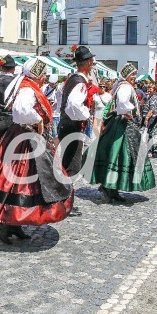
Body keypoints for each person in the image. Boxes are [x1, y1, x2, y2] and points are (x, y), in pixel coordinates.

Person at [0, 58, 73, 243]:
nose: (43, 78)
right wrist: (38, 120)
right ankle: (4, 224)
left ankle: (14, 225)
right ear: (36, 75)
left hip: (23, 137)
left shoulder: (27, 85)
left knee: (21, 185)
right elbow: (21, 110)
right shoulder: (27, 88)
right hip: (24, 139)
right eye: (42, 75)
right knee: (19, 183)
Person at [89, 63, 156, 203]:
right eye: (132, 75)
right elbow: (123, 103)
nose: (134, 77)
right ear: (127, 76)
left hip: (121, 123)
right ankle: (108, 188)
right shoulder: (125, 86)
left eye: (134, 75)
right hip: (122, 125)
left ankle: (113, 189)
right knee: (119, 155)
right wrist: (128, 113)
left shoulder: (122, 85)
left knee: (119, 156)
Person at [0, 55, 30, 239]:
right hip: (12, 128)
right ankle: (6, 220)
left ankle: (11, 221)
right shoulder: (18, 83)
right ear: (13, 68)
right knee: (13, 174)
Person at [57, 46, 99, 217]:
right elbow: (73, 105)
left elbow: (61, 98)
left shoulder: (71, 80)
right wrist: (86, 115)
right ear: (88, 63)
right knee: (72, 166)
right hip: (73, 127)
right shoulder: (80, 83)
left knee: (67, 164)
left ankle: (62, 201)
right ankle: (65, 203)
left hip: (67, 126)